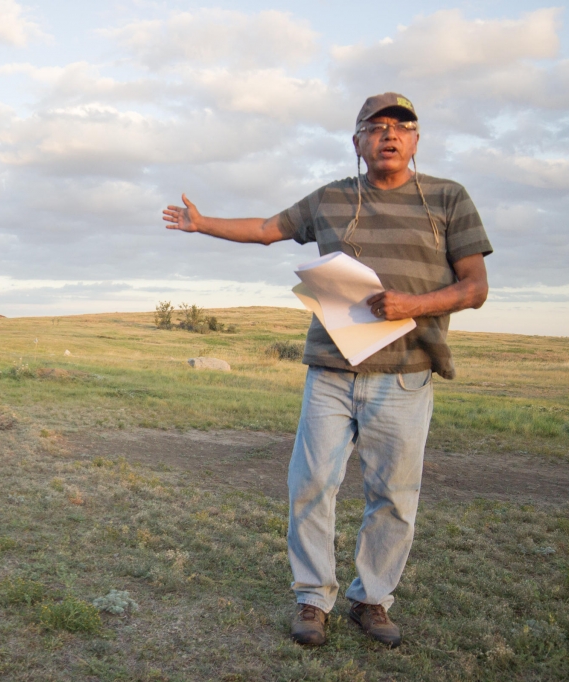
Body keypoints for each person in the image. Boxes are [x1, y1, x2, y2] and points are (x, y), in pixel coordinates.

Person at [162, 93, 492, 648]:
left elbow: (475, 288)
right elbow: (269, 227)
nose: (389, 134)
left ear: (415, 140)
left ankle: (372, 600)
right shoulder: (332, 198)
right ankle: (313, 599)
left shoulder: (448, 197)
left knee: (394, 494)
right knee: (311, 484)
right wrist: (202, 224)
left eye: (402, 127)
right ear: (357, 141)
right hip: (331, 371)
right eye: (376, 126)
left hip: (406, 374)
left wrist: (413, 305)